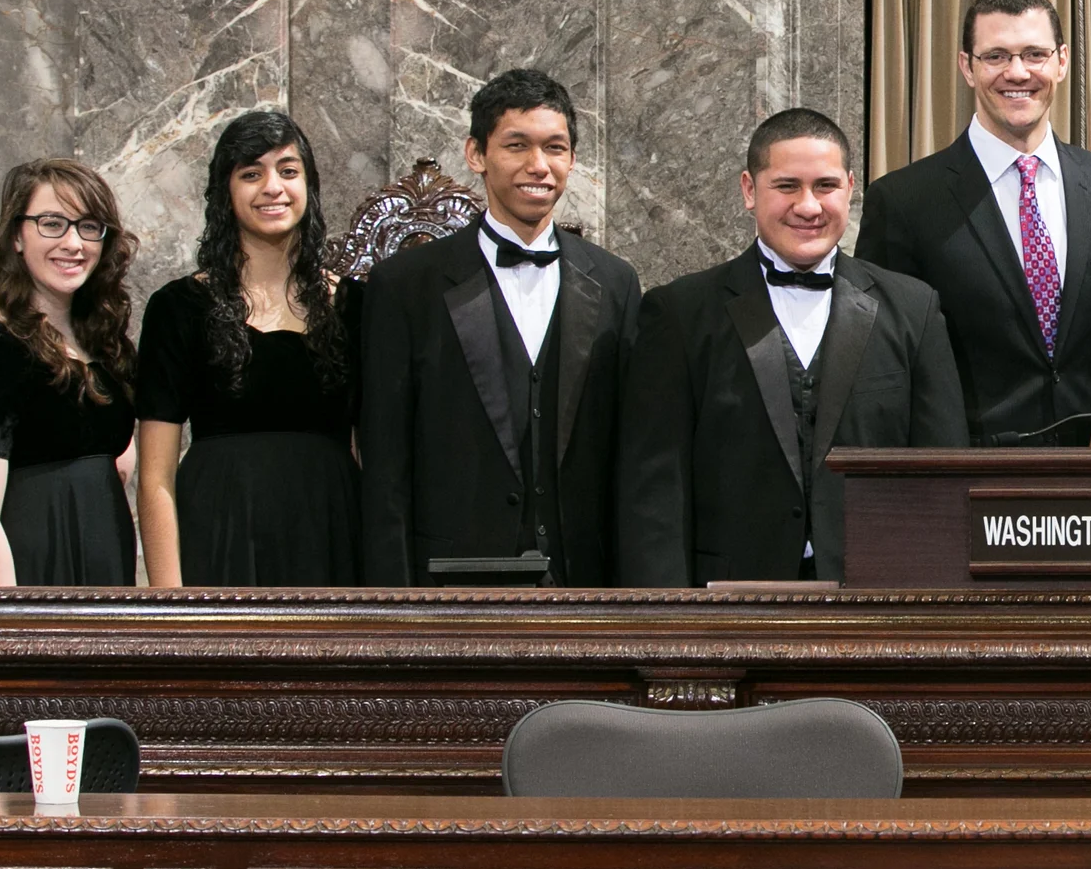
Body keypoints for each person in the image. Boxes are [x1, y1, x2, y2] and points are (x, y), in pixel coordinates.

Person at [616, 108, 967, 584]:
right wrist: (669, 627)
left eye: (825, 186)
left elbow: (941, 481)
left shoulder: (913, 309)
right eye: (786, 186)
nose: (808, 205)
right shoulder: (679, 312)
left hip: (877, 604)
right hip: (726, 610)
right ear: (748, 190)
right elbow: (654, 492)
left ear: (850, 187)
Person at [359, 70, 641, 585]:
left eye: (555, 148)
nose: (539, 165)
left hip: (586, 587)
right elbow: (384, 470)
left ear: (572, 160)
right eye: (517, 145)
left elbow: (629, 459)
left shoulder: (617, 283)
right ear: (476, 154)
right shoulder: (404, 286)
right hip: (449, 588)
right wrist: (391, 611)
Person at [856, 0, 1091, 444]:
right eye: (995, 56)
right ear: (966, 67)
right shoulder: (901, 201)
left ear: (1061, 60)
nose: (1017, 72)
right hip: (966, 479)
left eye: (1034, 54)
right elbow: (886, 360)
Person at [134, 109, 361, 586]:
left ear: (310, 186)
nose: (273, 187)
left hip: (331, 537)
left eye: (288, 170)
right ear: (225, 192)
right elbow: (155, 478)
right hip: (218, 535)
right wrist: (168, 604)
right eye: (251, 174)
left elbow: (377, 455)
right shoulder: (178, 307)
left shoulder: (355, 304)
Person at [0, 159, 140, 586]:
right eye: (52, 223)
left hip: (102, 568)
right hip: (27, 584)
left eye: (89, 226)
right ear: (16, 235)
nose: (73, 243)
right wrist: (7, 633)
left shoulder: (106, 346)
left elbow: (117, 462)